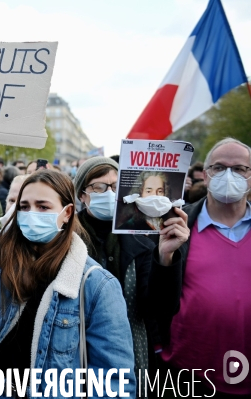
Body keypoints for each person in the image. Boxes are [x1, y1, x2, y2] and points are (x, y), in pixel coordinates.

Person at [0, 126, 135, 397]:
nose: (31, 213)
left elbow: (114, 382)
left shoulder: (97, 286)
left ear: (67, 212)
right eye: (24, 206)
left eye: (43, 207)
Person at [74, 157, 187, 392]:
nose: (109, 193)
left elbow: (160, 309)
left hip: (131, 353)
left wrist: (165, 256)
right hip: (75, 352)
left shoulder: (145, 236)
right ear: (82, 195)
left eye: (116, 187)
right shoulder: (65, 240)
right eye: (98, 187)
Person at [155, 138, 251, 398]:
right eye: (219, 168)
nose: (229, 175)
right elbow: (158, 302)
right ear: (205, 176)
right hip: (189, 374)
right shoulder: (176, 224)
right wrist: (165, 257)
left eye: (240, 168)